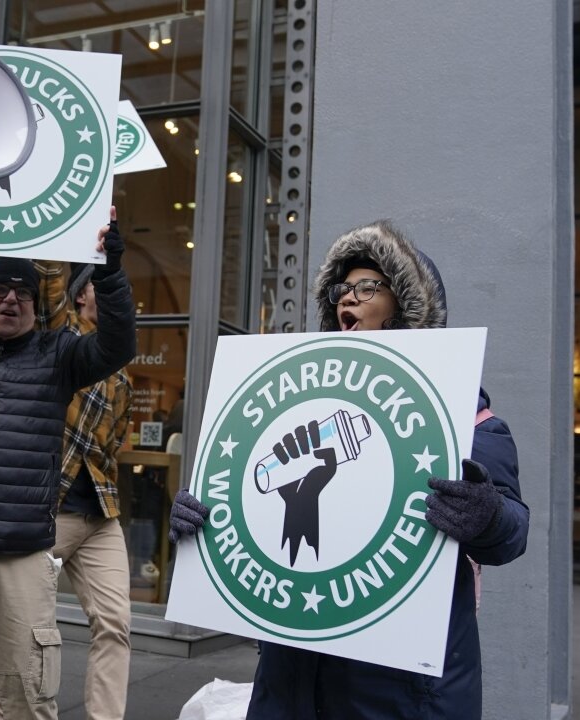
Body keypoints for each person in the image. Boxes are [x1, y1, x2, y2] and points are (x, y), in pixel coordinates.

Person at [168, 220, 529, 719]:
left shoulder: (470, 421)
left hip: (399, 694)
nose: (347, 299)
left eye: (367, 288)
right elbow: (257, 517)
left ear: (406, 306)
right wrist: (205, 520)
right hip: (290, 684)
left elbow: (512, 532)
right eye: (341, 289)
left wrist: (487, 515)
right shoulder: (304, 415)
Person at [0, 238, 137, 718]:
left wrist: (110, 271)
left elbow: (118, 345)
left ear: (37, 308)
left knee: (27, 698)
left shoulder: (60, 356)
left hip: (25, 556)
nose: (11, 299)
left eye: (23, 293)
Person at [32, 209, 135, 720]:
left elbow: (113, 447)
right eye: (101, 286)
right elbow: (49, 275)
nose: (114, 295)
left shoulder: (122, 377)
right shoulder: (59, 336)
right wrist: (67, 221)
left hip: (100, 518)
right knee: (28, 627)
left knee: (115, 623)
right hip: (51, 511)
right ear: (80, 297)